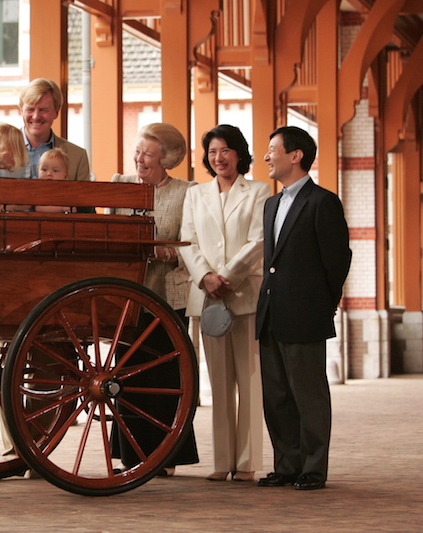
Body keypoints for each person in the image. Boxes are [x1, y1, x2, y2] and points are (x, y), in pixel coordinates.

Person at [256, 125, 351, 491]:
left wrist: (323, 305)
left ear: (295, 156)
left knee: (308, 395)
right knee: (276, 396)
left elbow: (337, 260)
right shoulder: (271, 204)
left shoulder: (323, 202)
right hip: (271, 314)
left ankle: (313, 469)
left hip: (305, 314)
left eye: (272, 149)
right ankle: (287, 466)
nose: (267, 157)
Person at [179, 124, 270, 482]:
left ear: (239, 154)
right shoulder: (196, 194)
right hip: (207, 298)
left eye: (226, 151)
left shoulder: (259, 191)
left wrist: (227, 276)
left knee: (249, 380)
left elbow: (259, 241)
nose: (219, 158)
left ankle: (247, 462)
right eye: (213, 152)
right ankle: (221, 462)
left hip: (245, 295)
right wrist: (205, 277)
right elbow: (187, 241)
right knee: (218, 383)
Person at [107, 122, 199, 475]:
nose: (139, 159)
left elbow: (191, 242)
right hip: (127, 298)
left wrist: (168, 254)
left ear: (167, 160)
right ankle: (131, 458)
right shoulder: (121, 186)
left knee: (167, 379)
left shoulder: (186, 192)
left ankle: (165, 457)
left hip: (167, 296)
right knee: (126, 375)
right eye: (138, 151)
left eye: (148, 154)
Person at [18, 78, 91, 181]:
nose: (36, 116)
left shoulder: (77, 157)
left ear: (56, 112)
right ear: (21, 111)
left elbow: (83, 197)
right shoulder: (0, 150)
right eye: (30, 109)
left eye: (43, 110)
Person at [34, 148, 74, 213]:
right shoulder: (37, 191)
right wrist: (62, 208)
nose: (49, 173)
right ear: (37, 171)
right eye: (44, 169)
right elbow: (38, 208)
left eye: (55, 170)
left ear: (66, 176)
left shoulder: (67, 192)